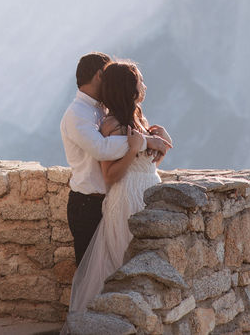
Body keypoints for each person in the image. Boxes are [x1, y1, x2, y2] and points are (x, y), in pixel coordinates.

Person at [65, 60, 172, 316]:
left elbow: (153, 162)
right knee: (119, 267)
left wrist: (159, 141)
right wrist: (138, 147)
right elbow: (110, 174)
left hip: (148, 196)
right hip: (124, 199)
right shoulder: (107, 124)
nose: (144, 85)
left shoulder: (139, 121)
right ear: (129, 88)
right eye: (140, 81)